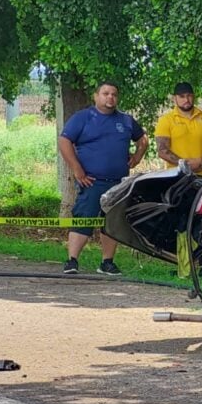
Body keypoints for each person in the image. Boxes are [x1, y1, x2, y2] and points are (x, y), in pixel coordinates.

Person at [58, 81, 148, 275]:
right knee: (84, 220)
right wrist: (77, 169)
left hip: (118, 184)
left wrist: (137, 156)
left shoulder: (126, 120)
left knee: (112, 223)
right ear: (96, 96)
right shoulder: (83, 118)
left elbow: (143, 139)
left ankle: (107, 262)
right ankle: (72, 261)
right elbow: (64, 141)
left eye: (114, 94)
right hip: (91, 181)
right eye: (105, 93)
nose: (110, 97)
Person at [155, 82, 202, 175]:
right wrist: (185, 165)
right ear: (174, 98)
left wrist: (200, 160)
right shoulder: (165, 120)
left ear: (193, 96)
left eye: (189, 96)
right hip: (176, 178)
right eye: (182, 96)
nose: (186, 99)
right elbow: (162, 151)